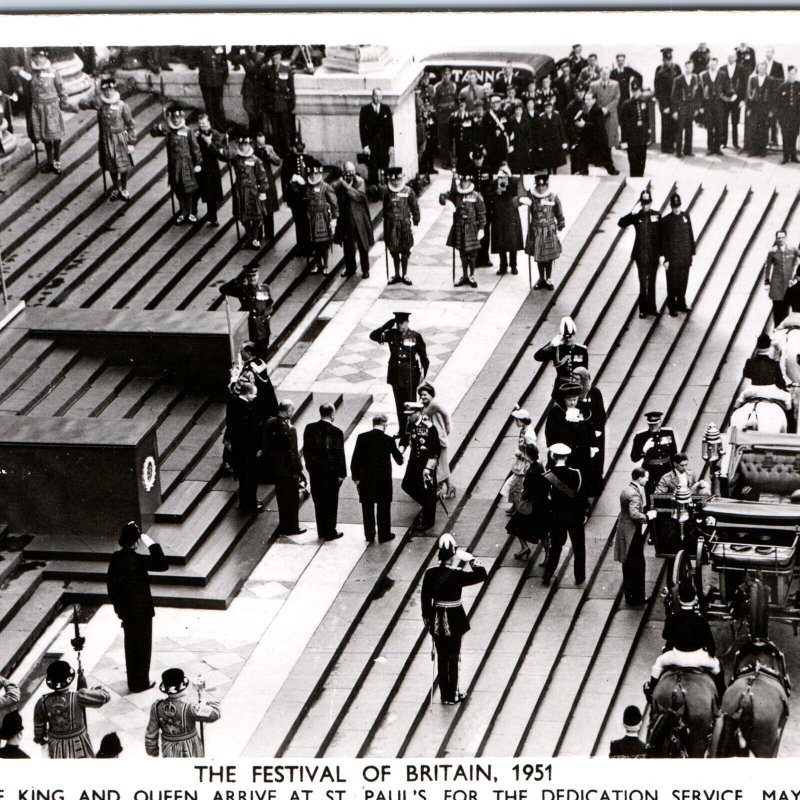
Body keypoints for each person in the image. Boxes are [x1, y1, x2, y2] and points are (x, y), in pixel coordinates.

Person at [421, 533, 488, 705]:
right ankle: (453, 693)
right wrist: (472, 559)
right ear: (452, 555)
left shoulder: (430, 573)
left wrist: (428, 620)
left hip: (437, 618)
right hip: (454, 618)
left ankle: (446, 694)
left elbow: (425, 599)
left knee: (442, 658)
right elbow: (482, 575)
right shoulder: (457, 574)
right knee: (453, 656)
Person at [107, 521, 169, 693]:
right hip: (142, 612)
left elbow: (111, 587)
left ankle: (133, 682)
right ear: (136, 542)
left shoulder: (116, 558)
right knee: (143, 648)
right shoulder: (139, 560)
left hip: (127, 613)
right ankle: (141, 682)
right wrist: (151, 543)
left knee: (131, 647)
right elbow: (163, 565)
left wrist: (119, 610)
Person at [645, 583, 725, 701]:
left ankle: (651, 690)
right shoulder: (700, 619)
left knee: (658, 663)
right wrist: (712, 654)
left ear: (679, 598)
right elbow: (710, 643)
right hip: (698, 657)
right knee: (717, 666)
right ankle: (722, 696)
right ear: (695, 598)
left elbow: (666, 635)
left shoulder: (672, 617)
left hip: (677, 656)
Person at [370, 311, 429, 444]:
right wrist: (386, 326)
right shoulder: (391, 334)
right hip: (396, 375)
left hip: (410, 375)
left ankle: (411, 432)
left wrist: (423, 376)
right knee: (399, 404)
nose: (399, 326)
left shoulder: (415, 336)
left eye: (401, 323)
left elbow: (424, 358)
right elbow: (373, 336)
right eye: (397, 323)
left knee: (410, 404)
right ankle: (402, 430)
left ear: (407, 322)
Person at [33, 660, 110, 758]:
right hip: (79, 744)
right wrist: (90, 689)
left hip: (55, 746)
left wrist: (40, 739)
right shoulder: (79, 696)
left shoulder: (42, 702)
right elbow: (105, 696)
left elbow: (39, 727)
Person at [79, 76, 136, 201]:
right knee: (110, 164)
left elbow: (131, 124)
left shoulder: (122, 106)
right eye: (105, 90)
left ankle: (124, 188)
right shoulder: (101, 105)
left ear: (114, 89)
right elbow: (84, 104)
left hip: (120, 138)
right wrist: (85, 101)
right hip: (106, 139)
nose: (108, 92)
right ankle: (115, 187)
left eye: (110, 90)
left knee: (122, 164)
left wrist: (131, 141)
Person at [12, 49, 69, 174]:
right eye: (36, 57)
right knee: (45, 137)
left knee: (55, 136)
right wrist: (17, 71)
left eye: (41, 57)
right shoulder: (31, 73)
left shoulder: (53, 72)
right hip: (38, 107)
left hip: (51, 107)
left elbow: (60, 87)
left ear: (45, 58)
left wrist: (64, 100)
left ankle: (57, 161)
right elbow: (25, 78)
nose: (38, 59)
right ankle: (50, 161)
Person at [351, 413, 404, 543]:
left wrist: (356, 478)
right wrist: (401, 450)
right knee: (383, 508)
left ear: (373, 424)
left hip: (366, 480)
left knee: (367, 508)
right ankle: (384, 534)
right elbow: (399, 460)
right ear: (384, 425)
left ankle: (369, 534)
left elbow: (355, 460)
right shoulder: (388, 440)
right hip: (383, 481)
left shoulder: (362, 437)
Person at [145, 668, 221, 757]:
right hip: (191, 748)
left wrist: (152, 750)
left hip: (168, 749)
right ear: (182, 685)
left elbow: (151, 732)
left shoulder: (156, 706)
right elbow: (215, 714)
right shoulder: (189, 708)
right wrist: (208, 703)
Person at [542, 442, 585, 586]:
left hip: (557, 516)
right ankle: (579, 577)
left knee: (555, 547)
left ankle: (548, 574)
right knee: (579, 547)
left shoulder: (548, 476)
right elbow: (580, 496)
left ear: (553, 456)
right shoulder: (576, 474)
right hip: (574, 516)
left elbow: (547, 498)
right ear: (566, 457)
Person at [151, 104, 202, 224]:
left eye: (178, 117)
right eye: (173, 117)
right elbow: (153, 132)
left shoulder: (188, 131)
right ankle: (183, 212)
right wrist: (163, 121)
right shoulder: (169, 131)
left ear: (182, 117)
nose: (176, 119)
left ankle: (190, 213)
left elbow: (195, 148)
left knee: (188, 189)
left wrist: (197, 163)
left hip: (186, 164)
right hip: (174, 165)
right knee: (178, 188)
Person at [303, 403, 347, 542]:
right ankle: (330, 531)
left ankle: (321, 530)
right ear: (332, 414)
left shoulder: (309, 428)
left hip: (316, 472)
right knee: (331, 502)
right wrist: (342, 473)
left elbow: (306, 451)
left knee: (319, 501)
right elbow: (340, 454)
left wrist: (310, 467)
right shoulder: (337, 432)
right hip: (331, 473)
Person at [263, 399, 307, 537]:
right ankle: (292, 527)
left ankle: (284, 525)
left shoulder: (270, 423)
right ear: (288, 411)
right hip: (288, 471)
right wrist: (299, 470)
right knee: (292, 500)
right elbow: (292, 453)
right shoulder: (290, 430)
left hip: (276, 470)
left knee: (282, 500)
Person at [545, 382, 595, 500]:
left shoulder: (583, 410)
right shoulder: (556, 412)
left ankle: (582, 503)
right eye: (569, 400)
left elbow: (589, 429)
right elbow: (550, 433)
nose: (573, 403)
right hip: (564, 453)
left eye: (575, 399)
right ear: (564, 399)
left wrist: (590, 444)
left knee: (581, 478)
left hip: (581, 453)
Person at [616, 467, 657, 606]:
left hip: (626, 529)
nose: (648, 479)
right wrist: (647, 516)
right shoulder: (634, 494)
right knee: (638, 564)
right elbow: (634, 514)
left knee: (629, 564)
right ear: (639, 478)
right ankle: (638, 597)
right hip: (632, 532)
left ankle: (630, 595)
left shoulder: (627, 489)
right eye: (646, 477)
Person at [220, 135, 269, 248]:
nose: (243, 147)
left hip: (252, 191)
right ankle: (249, 236)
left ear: (250, 145)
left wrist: (262, 191)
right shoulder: (236, 158)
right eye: (241, 144)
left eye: (245, 144)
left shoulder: (256, 160)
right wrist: (225, 142)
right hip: (240, 191)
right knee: (243, 216)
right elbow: (225, 155)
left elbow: (262, 177)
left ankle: (255, 238)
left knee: (256, 216)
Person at [618, 189, 662, 317]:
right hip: (641, 254)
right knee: (643, 282)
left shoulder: (656, 215)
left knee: (652, 281)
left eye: (648, 202)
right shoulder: (637, 215)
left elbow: (661, 234)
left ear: (651, 202)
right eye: (643, 202)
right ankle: (643, 309)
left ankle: (652, 308)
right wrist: (632, 213)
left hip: (653, 253)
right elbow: (621, 223)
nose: (646, 205)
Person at [439, 171, 487, 289]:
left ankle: (472, 275)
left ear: (470, 181)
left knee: (473, 253)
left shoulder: (476, 196)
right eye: (462, 181)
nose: (464, 183)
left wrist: (481, 228)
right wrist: (446, 201)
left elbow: (481, 212)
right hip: (459, 227)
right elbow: (442, 197)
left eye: (466, 181)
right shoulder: (456, 193)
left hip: (472, 227)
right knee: (462, 252)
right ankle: (464, 275)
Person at [505, 441, 551, 561]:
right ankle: (533, 550)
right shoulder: (538, 466)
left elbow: (529, 488)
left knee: (517, 526)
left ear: (528, 455)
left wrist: (524, 493)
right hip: (539, 504)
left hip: (532, 505)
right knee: (539, 531)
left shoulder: (532, 471)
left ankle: (527, 548)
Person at [226, 375, 264, 512]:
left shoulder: (232, 403)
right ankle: (251, 504)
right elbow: (253, 430)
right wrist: (259, 447)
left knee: (243, 478)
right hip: (249, 450)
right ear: (247, 393)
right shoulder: (248, 408)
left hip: (237, 449)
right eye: (254, 394)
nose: (255, 397)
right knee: (251, 478)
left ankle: (244, 502)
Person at [219, 264, 273, 359]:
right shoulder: (242, 290)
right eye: (249, 276)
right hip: (249, 330)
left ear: (258, 275)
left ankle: (263, 374)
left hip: (262, 329)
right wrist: (238, 279)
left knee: (263, 358)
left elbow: (269, 305)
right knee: (250, 358)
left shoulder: (265, 288)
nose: (252, 278)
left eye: (254, 275)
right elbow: (223, 289)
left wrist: (266, 317)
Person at [402, 402, 441, 531]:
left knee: (427, 491)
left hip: (426, 464)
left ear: (418, 413)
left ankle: (428, 521)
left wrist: (429, 468)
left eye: (411, 414)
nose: (408, 417)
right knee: (407, 485)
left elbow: (435, 451)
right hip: (414, 462)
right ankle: (428, 503)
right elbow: (405, 439)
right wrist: (401, 449)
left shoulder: (429, 427)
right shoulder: (410, 425)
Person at [521, 173, 565, 290]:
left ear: (547, 185)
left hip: (548, 230)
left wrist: (561, 223)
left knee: (549, 256)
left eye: (543, 185)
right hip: (536, 230)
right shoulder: (532, 197)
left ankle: (549, 278)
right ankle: (541, 278)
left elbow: (558, 212)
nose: (541, 188)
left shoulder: (553, 197)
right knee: (539, 255)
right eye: (539, 186)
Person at [333, 160, 374, 279]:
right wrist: (340, 183)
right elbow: (332, 188)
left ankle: (365, 269)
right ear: (344, 172)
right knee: (348, 247)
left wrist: (345, 185)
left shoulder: (360, 181)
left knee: (363, 246)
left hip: (359, 219)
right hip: (346, 220)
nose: (350, 174)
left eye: (352, 172)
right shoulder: (342, 182)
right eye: (348, 172)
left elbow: (356, 196)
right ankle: (350, 269)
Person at [382, 167, 420, 285]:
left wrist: (416, 222)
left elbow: (415, 208)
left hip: (404, 225)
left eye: (398, 179)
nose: (395, 182)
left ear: (401, 178)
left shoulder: (408, 191)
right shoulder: (387, 192)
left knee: (405, 249)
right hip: (391, 225)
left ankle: (405, 274)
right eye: (393, 180)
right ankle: (397, 274)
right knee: (393, 250)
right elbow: (384, 209)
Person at [659, 192, 695, 316]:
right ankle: (672, 305)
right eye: (674, 206)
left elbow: (690, 235)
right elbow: (663, 241)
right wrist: (666, 258)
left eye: (678, 206)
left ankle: (681, 303)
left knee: (683, 281)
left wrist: (691, 253)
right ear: (671, 206)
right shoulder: (666, 220)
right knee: (672, 283)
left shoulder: (685, 216)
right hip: (673, 258)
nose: (676, 209)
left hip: (685, 256)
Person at [534, 316, 589, 396]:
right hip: (561, 387)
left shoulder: (582, 350)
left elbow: (585, 372)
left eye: (570, 336)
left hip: (577, 387)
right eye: (565, 337)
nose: (568, 339)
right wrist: (551, 345)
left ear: (574, 335)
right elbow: (537, 357)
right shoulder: (556, 349)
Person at [418, 380, 454, 499]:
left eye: (425, 395)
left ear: (430, 394)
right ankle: (449, 486)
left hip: (438, 440)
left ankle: (444, 487)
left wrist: (447, 430)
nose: (422, 397)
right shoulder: (426, 405)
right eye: (421, 395)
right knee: (442, 464)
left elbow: (446, 416)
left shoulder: (433, 405)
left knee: (440, 465)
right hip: (436, 439)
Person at [575, 366, 607, 497]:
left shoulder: (594, 392)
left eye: (577, 378)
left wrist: (598, 429)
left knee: (596, 460)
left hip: (594, 432)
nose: (574, 380)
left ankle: (596, 486)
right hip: (583, 431)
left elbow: (600, 413)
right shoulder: (575, 393)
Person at [499, 407, 538, 515]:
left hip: (525, 463)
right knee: (514, 485)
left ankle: (518, 506)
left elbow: (533, 450)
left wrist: (522, 455)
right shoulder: (524, 429)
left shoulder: (529, 433)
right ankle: (515, 505)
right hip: (520, 463)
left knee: (516, 485)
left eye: (517, 420)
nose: (516, 422)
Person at [630, 410, 678, 497]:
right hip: (650, 471)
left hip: (666, 469)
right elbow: (634, 457)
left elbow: (674, 453)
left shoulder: (668, 432)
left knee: (667, 494)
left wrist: (674, 471)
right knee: (651, 495)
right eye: (650, 424)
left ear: (660, 422)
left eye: (655, 424)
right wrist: (644, 449)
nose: (653, 426)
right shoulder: (640, 436)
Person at [281, 127, 312, 259]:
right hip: (296, 198)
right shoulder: (288, 161)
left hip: (307, 195)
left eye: (299, 146)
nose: (297, 149)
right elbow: (284, 180)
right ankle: (302, 246)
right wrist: (287, 198)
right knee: (299, 222)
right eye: (295, 147)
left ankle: (310, 246)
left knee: (308, 222)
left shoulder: (308, 158)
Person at [486, 169, 524, 276]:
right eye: (500, 177)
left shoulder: (514, 182)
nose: (502, 179)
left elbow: (522, 195)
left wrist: (517, 199)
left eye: (505, 176)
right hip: (498, 215)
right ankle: (503, 265)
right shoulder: (494, 184)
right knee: (500, 241)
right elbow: (488, 198)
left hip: (511, 214)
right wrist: (495, 193)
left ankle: (514, 265)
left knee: (512, 241)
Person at [305, 161, 338, 275]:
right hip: (312, 217)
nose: (313, 176)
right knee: (315, 243)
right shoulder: (308, 187)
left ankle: (326, 264)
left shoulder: (326, 187)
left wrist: (334, 218)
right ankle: (318, 263)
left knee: (324, 243)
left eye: (315, 173)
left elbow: (334, 203)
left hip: (323, 217)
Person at [262, 49, 296, 156]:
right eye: (273, 58)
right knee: (275, 130)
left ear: (280, 57)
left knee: (285, 129)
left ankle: (286, 151)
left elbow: (291, 88)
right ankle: (277, 150)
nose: (274, 60)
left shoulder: (287, 70)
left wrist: (291, 103)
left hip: (284, 104)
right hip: (272, 104)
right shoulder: (267, 71)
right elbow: (264, 89)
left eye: (276, 58)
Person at [194, 113, 225, 226]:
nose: (203, 126)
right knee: (195, 190)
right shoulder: (195, 134)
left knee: (211, 194)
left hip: (211, 167)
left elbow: (218, 152)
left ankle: (212, 218)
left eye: (205, 124)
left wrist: (209, 142)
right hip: (199, 165)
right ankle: (193, 212)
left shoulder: (215, 134)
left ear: (209, 124)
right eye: (201, 124)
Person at [764, 229, 800, 325]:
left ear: (786, 237)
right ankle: (777, 328)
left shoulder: (793, 249)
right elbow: (767, 267)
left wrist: (797, 277)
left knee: (787, 306)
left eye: (782, 237)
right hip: (776, 284)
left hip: (789, 283)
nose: (780, 239)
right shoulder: (772, 251)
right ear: (776, 238)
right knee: (777, 308)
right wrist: (767, 281)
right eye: (778, 238)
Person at [360, 88, 394, 188]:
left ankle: (387, 190)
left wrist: (391, 145)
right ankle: (374, 191)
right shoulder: (365, 110)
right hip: (372, 146)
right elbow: (362, 130)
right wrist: (365, 146)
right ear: (372, 96)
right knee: (373, 169)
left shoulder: (386, 109)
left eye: (379, 96)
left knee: (385, 168)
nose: (377, 98)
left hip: (384, 145)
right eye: (375, 96)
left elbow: (390, 129)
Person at [252, 132, 282, 242]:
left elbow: (278, 161)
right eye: (260, 144)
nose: (262, 145)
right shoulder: (252, 150)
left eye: (263, 143)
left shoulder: (269, 148)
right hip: (256, 180)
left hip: (268, 179)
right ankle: (258, 235)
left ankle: (270, 234)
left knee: (269, 208)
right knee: (258, 209)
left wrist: (269, 154)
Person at [193, 46, 228, 131]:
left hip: (218, 80)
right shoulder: (201, 47)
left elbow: (224, 63)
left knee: (217, 104)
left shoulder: (221, 46)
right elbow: (195, 62)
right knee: (209, 105)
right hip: (206, 80)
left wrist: (224, 76)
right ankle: (211, 126)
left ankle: (219, 125)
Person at [654, 47, 681, 154]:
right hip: (664, 102)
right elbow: (658, 89)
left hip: (675, 101)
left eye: (669, 60)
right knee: (666, 124)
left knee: (675, 123)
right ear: (663, 60)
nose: (668, 62)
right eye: (666, 60)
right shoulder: (659, 70)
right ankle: (665, 147)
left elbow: (680, 84)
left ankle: (674, 144)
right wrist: (664, 106)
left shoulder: (677, 68)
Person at [745, 62, 776, 157]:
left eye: (763, 68)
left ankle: (763, 149)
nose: (761, 70)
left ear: (766, 69)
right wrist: (749, 108)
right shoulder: (753, 79)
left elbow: (773, 96)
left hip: (765, 108)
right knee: (753, 128)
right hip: (754, 108)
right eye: (760, 68)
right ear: (757, 69)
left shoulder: (770, 80)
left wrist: (772, 110)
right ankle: (753, 150)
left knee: (764, 129)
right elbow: (749, 94)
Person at [671, 60, 700, 158]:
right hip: (681, 107)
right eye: (687, 67)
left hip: (691, 107)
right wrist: (674, 110)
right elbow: (674, 96)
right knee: (679, 130)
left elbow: (697, 94)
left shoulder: (695, 78)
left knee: (689, 129)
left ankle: (688, 150)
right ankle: (678, 152)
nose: (689, 69)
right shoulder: (678, 79)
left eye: (691, 67)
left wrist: (697, 108)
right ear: (685, 67)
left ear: (693, 68)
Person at [700, 58, 729, 155]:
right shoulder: (703, 75)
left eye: (714, 64)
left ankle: (717, 147)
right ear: (708, 64)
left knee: (719, 126)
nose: (713, 66)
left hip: (719, 104)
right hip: (708, 104)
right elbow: (700, 91)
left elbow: (726, 88)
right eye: (711, 64)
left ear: (717, 65)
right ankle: (710, 148)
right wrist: (701, 105)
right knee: (709, 126)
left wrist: (727, 98)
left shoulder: (722, 75)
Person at [532, 98, 568, 174]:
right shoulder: (542, 117)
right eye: (546, 108)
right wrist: (540, 144)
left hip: (556, 141)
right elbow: (540, 132)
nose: (548, 109)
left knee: (555, 159)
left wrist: (563, 141)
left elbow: (561, 129)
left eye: (549, 107)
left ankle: (555, 172)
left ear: (552, 108)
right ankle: (549, 172)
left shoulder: (557, 115)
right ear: (544, 109)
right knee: (548, 159)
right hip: (546, 142)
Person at [721, 51, 747, 150]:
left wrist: (742, 99)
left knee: (735, 121)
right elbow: (721, 85)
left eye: (732, 57)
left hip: (737, 99)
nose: (730, 58)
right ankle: (723, 142)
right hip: (725, 100)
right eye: (729, 57)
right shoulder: (722, 68)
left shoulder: (742, 69)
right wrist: (724, 97)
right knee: (724, 121)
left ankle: (735, 143)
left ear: (736, 57)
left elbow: (744, 85)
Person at [590, 67, 621, 149]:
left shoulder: (615, 84)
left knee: (609, 136)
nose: (605, 76)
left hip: (611, 113)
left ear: (609, 74)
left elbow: (617, 98)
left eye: (607, 74)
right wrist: (600, 108)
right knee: (599, 135)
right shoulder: (593, 85)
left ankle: (608, 155)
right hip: (598, 113)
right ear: (600, 74)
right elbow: (590, 98)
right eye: (603, 73)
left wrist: (607, 108)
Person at [434, 67, 458, 162]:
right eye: (444, 74)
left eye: (448, 74)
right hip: (442, 117)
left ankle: (452, 160)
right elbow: (435, 104)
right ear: (442, 75)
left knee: (452, 139)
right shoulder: (438, 87)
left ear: (451, 75)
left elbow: (455, 101)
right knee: (443, 140)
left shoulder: (453, 85)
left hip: (452, 116)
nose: (446, 76)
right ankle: (444, 160)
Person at [777, 66, 800, 164]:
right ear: (788, 74)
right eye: (790, 73)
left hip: (796, 116)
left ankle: (793, 155)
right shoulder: (782, 86)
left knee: (794, 135)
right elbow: (778, 102)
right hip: (785, 116)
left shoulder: (799, 85)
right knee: (785, 136)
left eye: (794, 73)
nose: (792, 75)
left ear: (796, 74)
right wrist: (779, 117)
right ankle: (785, 156)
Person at [449, 98, 476, 173]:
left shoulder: (469, 116)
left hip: (467, 144)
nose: (461, 107)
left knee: (468, 163)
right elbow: (450, 133)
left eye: (462, 105)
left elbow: (473, 132)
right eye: (459, 105)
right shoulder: (453, 117)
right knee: (458, 165)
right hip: (457, 145)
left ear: (465, 105)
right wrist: (450, 147)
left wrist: (473, 146)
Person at [506, 103, 533, 175]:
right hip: (515, 145)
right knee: (515, 165)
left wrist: (530, 146)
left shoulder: (525, 120)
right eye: (516, 110)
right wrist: (510, 145)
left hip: (524, 145)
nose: (518, 112)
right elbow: (509, 134)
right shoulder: (511, 120)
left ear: (522, 111)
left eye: (520, 110)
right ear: (514, 111)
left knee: (525, 165)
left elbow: (529, 134)